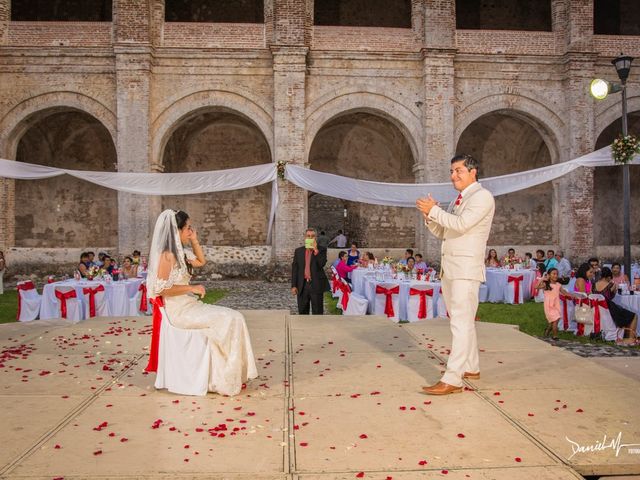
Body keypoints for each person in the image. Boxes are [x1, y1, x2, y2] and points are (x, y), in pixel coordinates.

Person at [146, 209, 257, 396]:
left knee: (235, 317)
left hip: (189, 305)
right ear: (177, 230)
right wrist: (191, 288)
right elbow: (161, 289)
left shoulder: (181, 253)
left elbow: (201, 261)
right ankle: (222, 377)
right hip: (178, 311)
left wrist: (195, 240)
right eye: (188, 228)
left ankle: (232, 373)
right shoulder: (167, 256)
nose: (190, 230)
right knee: (228, 319)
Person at [416, 153, 495, 395]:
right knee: (461, 321)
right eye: (452, 171)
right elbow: (445, 231)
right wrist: (430, 216)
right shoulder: (458, 200)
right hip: (450, 268)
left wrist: (436, 211)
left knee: (460, 323)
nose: (453, 176)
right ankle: (471, 366)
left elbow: (461, 225)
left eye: (458, 170)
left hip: (465, 270)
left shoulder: (483, 197)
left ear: (473, 172)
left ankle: (453, 378)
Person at [593, 267, 638, 344]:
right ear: (609, 277)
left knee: (625, 313)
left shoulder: (593, 285)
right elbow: (611, 297)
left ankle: (625, 335)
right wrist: (615, 287)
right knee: (634, 315)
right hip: (609, 308)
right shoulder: (611, 284)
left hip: (597, 309)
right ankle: (630, 338)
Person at [291, 228, 329, 314]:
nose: (310, 238)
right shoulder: (298, 251)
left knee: (317, 312)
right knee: (303, 312)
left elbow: (322, 264)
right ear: (305, 238)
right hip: (302, 285)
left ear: (316, 238)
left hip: (316, 285)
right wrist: (293, 285)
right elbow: (295, 269)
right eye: (308, 236)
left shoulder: (322, 250)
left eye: (312, 236)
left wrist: (316, 250)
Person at [536, 268, 577, 340]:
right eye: (553, 274)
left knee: (554, 320)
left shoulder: (558, 285)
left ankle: (548, 330)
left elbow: (564, 292)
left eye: (557, 274)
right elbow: (536, 287)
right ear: (549, 275)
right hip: (549, 305)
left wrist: (572, 295)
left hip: (556, 304)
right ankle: (555, 335)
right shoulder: (546, 285)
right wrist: (542, 279)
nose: (555, 275)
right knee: (556, 319)